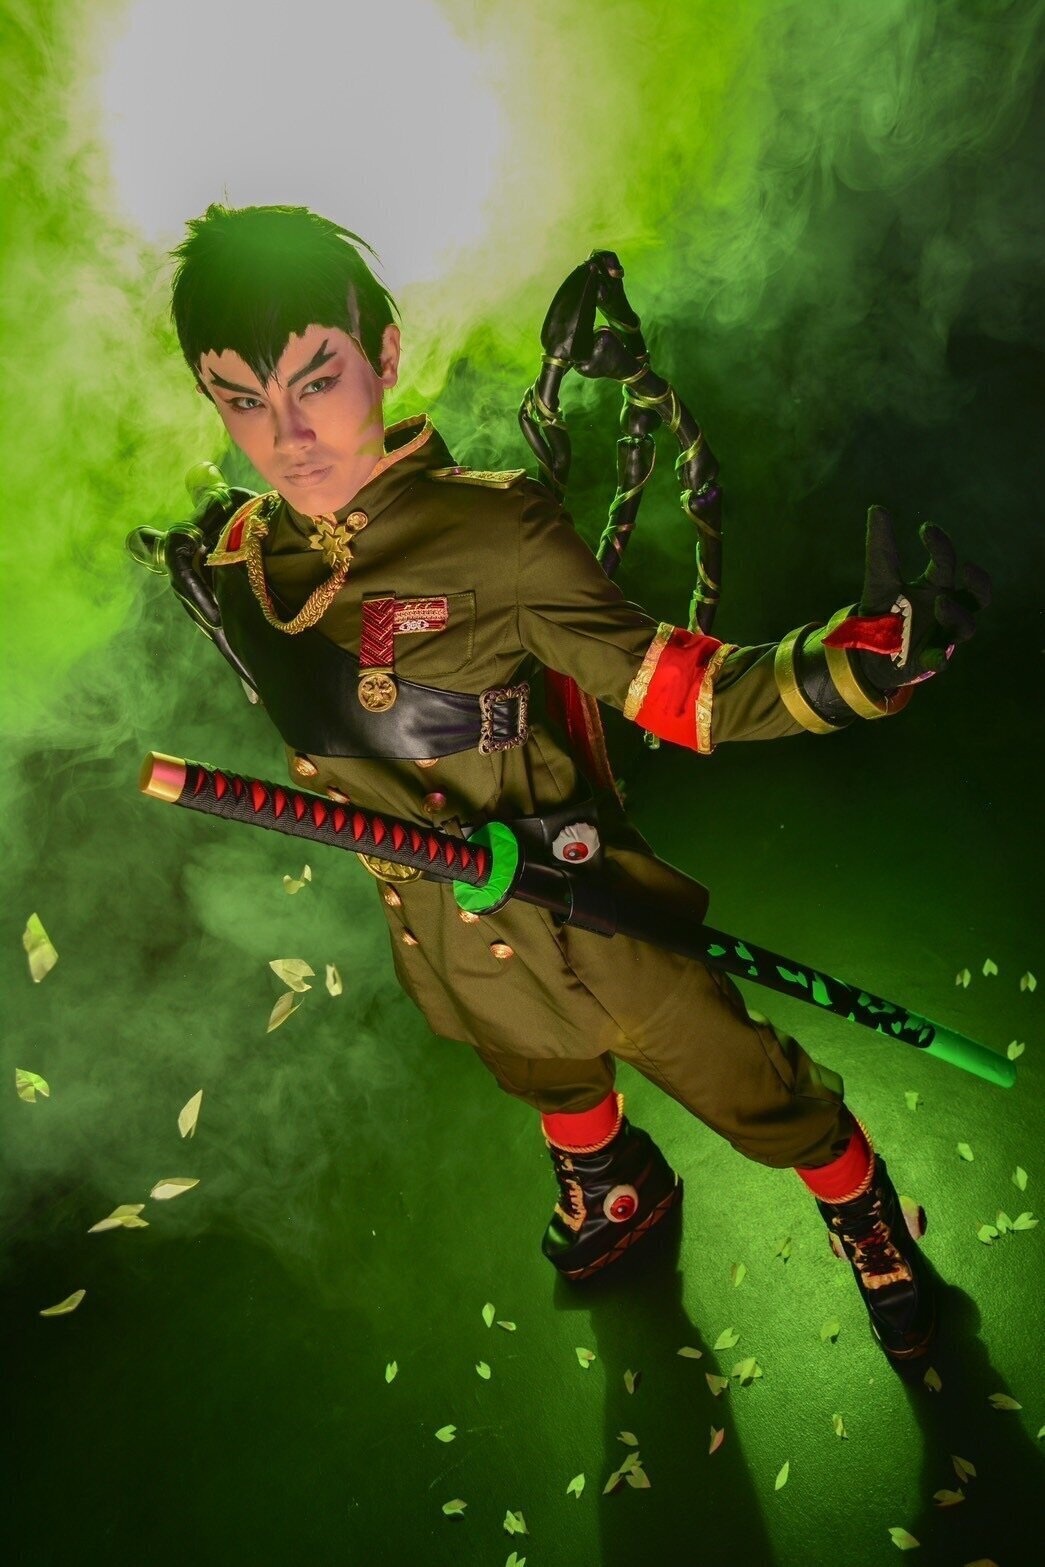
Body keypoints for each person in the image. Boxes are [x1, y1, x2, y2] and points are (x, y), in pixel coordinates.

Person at [134, 202, 990, 1366]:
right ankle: (612, 1187)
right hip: (438, 926)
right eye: (241, 398)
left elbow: (677, 690)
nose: (286, 436)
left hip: (583, 914)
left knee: (756, 1090)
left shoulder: (495, 533)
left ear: (384, 353)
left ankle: (868, 1221)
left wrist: (848, 668)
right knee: (540, 1071)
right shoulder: (243, 556)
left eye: (315, 380)